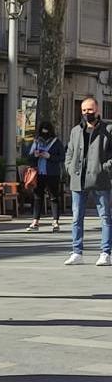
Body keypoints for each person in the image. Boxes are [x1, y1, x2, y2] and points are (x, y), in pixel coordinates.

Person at [63, 96, 112, 266]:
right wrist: (69, 167)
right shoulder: (76, 130)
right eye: (84, 110)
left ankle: (105, 252)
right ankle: (77, 252)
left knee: (105, 217)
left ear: (97, 110)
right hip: (78, 179)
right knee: (77, 217)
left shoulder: (108, 129)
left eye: (90, 110)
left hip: (100, 179)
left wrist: (104, 168)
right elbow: (69, 151)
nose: (87, 113)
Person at [26, 120, 64, 233]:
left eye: (46, 131)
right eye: (43, 132)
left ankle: (55, 221)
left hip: (53, 173)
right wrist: (35, 155)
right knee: (38, 197)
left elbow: (62, 157)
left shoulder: (57, 142)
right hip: (39, 173)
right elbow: (30, 157)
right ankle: (35, 221)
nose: (44, 134)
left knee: (54, 197)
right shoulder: (37, 141)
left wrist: (49, 156)